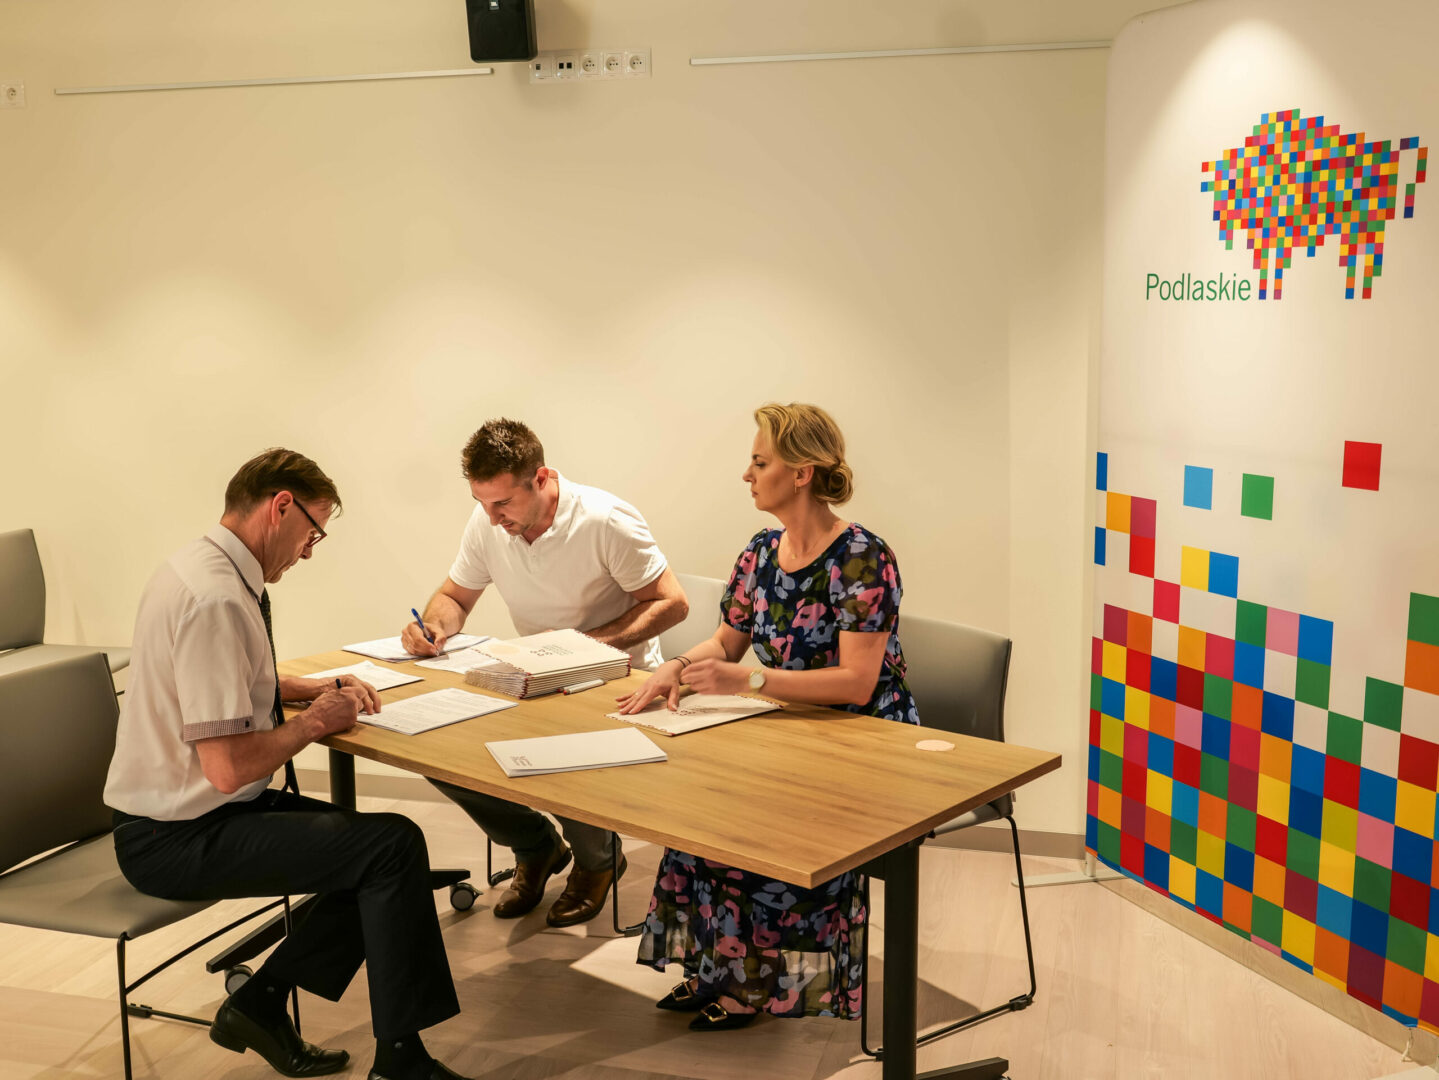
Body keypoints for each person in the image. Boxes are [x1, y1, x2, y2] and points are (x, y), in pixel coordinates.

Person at [105, 449, 471, 1080]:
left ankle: (261, 1004)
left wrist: (306, 688)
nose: (308, 552)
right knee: (389, 849)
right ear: (281, 507)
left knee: (377, 853)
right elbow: (227, 769)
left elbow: (218, 683)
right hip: (175, 836)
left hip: (187, 813)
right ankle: (399, 1063)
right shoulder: (217, 599)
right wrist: (313, 723)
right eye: (313, 533)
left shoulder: (197, 567)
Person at [616, 402, 919, 1031]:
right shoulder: (760, 552)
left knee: (764, 824)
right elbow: (726, 643)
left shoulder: (863, 557)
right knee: (699, 813)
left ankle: (758, 986)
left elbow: (857, 682)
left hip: (863, 735)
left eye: (760, 462)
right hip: (788, 722)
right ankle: (715, 969)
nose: (747, 475)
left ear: (802, 473)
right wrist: (677, 666)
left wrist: (751, 680)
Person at [402, 418, 688, 927]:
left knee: (560, 741)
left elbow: (672, 603)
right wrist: (434, 627)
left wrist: (583, 648)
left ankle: (598, 861)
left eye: (502, 504)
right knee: (429, 744)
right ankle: (536, 845)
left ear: (541, 478)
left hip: (618, 681)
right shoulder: (488, 523)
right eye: (481, 503)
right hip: (537, 678)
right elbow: (454, 597)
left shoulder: (605, 520)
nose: (492, 518)